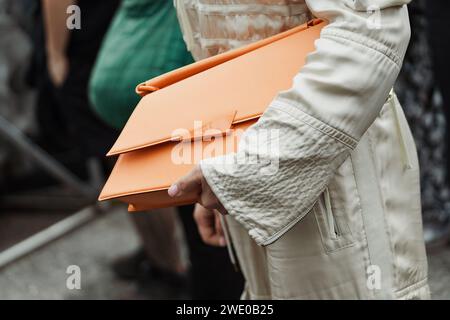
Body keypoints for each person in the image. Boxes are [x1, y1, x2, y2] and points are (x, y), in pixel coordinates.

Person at [168, 0, 429, 299]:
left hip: (339, 180)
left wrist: (248, 170)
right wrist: (221, 177)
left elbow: (370, 32)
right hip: (250, 166)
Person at [89, 0, 243, 299]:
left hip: (197, 108)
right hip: (176, 113)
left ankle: (188, 279)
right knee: (199, 216)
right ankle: (176, 271)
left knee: (212, 228)